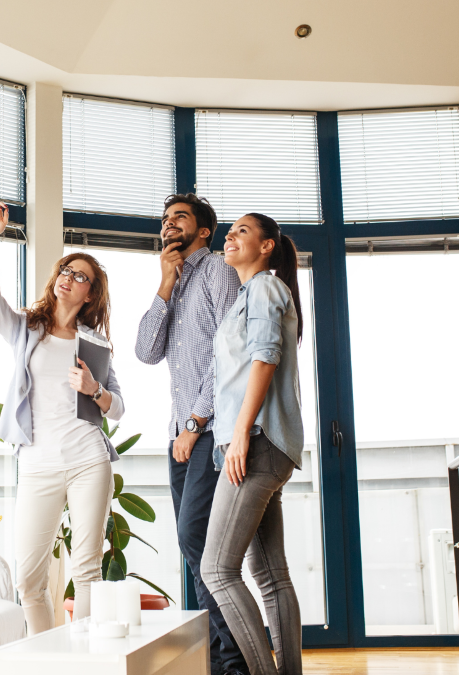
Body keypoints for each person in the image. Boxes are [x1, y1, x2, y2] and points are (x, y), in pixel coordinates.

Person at [0, 188, 125, 635]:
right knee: (29, 578)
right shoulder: (27, 328)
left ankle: (82, 664)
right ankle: (46, 658)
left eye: (79, 275)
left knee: (86, 571)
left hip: (87, 460)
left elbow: (117, 407)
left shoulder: (95, 343)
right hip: (38, 463)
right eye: (66, 269)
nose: (67, 276)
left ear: (90, 292)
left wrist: (94, 388)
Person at [135, 194, 247, 675]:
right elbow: (144, 351)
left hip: (207, 430)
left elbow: (230, 352)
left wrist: (194, 423)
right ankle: (227, 655)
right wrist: (164, 282)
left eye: (178, 217)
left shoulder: (217, 270)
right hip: (179, 435)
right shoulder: (175, 281)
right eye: (164, 219)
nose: (168, 224)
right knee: (196, 546)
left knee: (198, 540)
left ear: (203, 230)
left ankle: (235, 660)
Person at [201, 213, 305, 675]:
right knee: (269, 574)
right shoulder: (251, 293)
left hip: (257, 441)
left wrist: (241, 432)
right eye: (231, 230)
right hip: (268, 444)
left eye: (242, 231)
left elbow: (265, 357)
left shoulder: (264, 286)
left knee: (217, 570)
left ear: (266, 246)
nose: (231, 236)